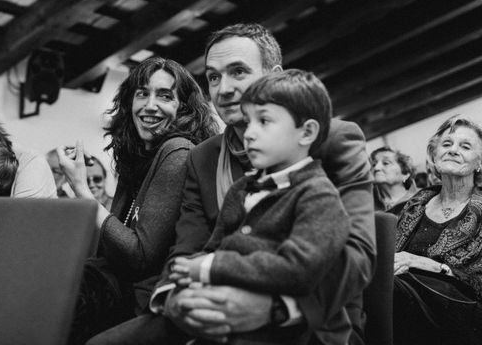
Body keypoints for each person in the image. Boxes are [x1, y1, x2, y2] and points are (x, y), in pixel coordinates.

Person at [89, 23, 374, 345]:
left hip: (310, 319)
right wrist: (175, 298)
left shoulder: (332, 138)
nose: (223, 89)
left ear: (273, 74)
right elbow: (188, 247)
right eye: (213, 76)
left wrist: (276, 308)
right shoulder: (202, 157)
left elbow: (359, 254)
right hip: (212, 302)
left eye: (238, 72)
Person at [170, 70, 350, 344]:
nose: (249, 133)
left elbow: (298, 269)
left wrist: (211, 267)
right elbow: (213, 248)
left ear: (307, 132)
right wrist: (188, 282)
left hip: (283, 332)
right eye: (248, 120)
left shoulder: (318, 196)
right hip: (222, 314)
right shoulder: (240, 189)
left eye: (263, 121)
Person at [56, 56, 219, 344]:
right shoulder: (136, 156)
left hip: (143, 300)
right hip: (116, 289)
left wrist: (83, 191)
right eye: (142, 93)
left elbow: (137, 256)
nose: (150, 105)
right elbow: (110, 247)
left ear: (183, 107)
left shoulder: (177, 151)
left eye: (165, 95)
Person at [393, 115, 482, 345]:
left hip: (463, 316)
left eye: (465, 146)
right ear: (434, 155)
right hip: (406, 306)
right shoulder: (415, 203)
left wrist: (427, 265)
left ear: (479, 163)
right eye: (446, 144)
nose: (453, 150)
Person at [370, 146, 418, 214]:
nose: (376, 168)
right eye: (374, 164)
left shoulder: (420, 199)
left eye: (386, 163)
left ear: (405, 173)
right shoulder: (366, 203)